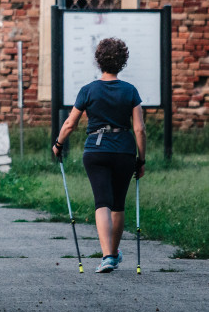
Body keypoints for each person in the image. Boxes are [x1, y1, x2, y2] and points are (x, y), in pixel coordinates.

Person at [53, 37, 146, 274]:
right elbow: (139, 129)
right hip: (124, 150)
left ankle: (107, 256)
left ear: (99, 61)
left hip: (95, 149)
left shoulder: (88, 90)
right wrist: (141, 158)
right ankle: (113, 254)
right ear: (123, 62)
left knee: (102, 201)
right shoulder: (130, 91)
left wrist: (58, 143)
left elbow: (70, 124)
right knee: (118, 204)